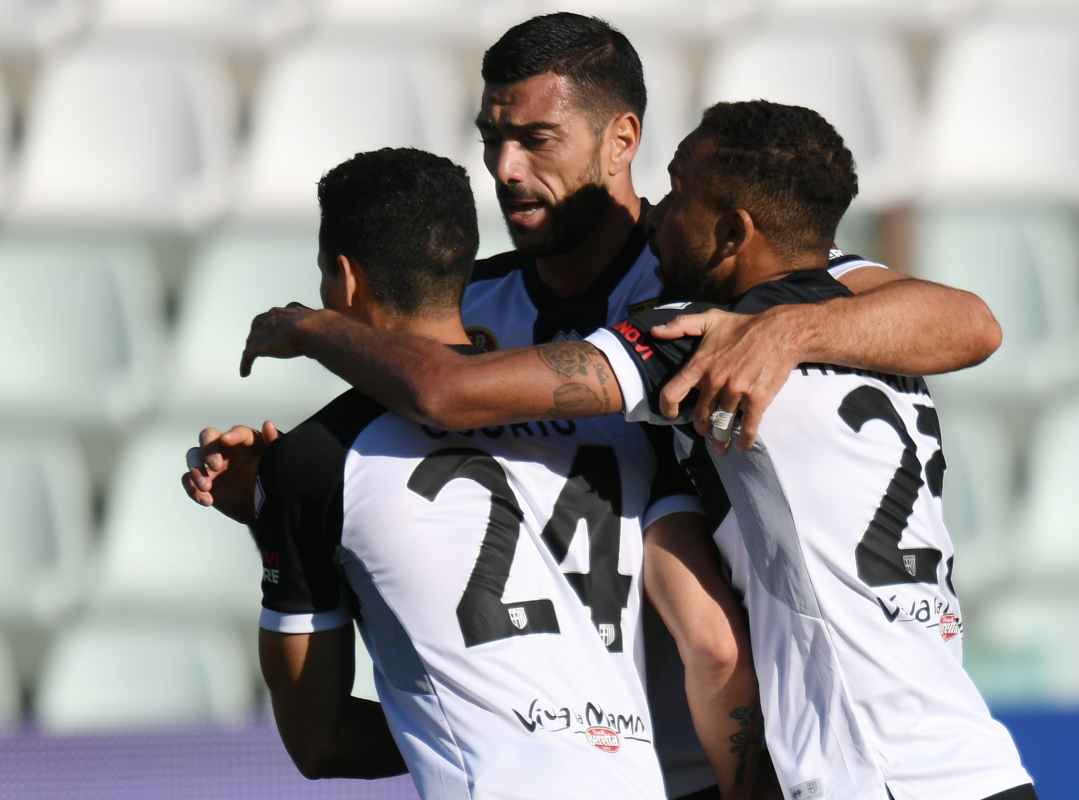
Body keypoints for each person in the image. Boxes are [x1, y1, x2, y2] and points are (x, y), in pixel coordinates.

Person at [187, 13, 1003, 799]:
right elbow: (408, 482)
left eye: (536, 139)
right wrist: (278, 492)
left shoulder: (715, 284)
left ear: (621, 140)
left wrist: (786, 332)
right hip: (601, 754)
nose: (505, 168)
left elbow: (969, 321)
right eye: (491, 139)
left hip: (746, 759)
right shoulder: (465, 312)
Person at [238, 146, 693, 799]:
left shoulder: (316, 457)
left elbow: (320, 741)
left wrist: (269, 508)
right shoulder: (617, 429)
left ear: (345, 278)